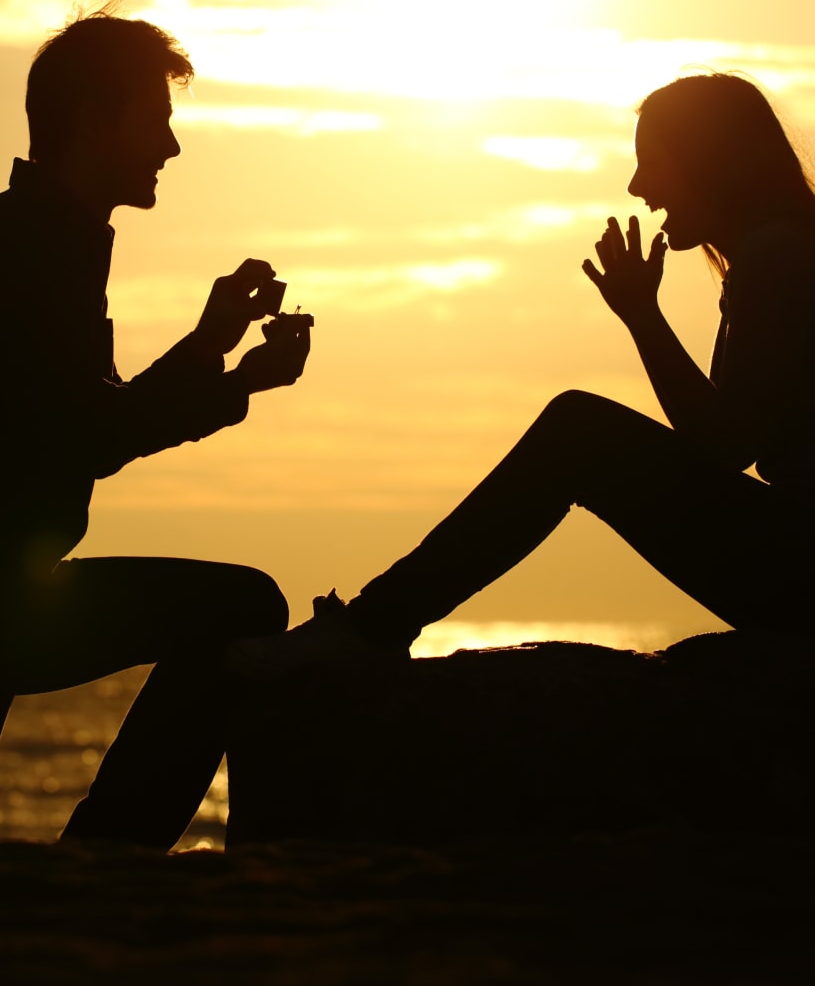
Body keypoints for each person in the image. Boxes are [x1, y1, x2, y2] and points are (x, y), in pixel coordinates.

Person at [0, 6, 311, 848]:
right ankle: (105, 860)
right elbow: (94, 433)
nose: (170, 147)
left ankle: (99, 861)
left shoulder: (40, 240)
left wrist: (215, 349)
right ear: (94, 121)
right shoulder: (22, 245)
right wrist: (231, 376)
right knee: (242, 604)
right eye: (157, 121)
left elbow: (88, 416)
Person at [232, 72, 815, 670]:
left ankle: (371, 628)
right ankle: (375, 622)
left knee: (578, 431)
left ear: (707, 162)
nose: (638, 185)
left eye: (651, 162)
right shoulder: (777, 250)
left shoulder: (779, 254)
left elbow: (724, 444)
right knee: (578, 430)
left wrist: (643, 318)